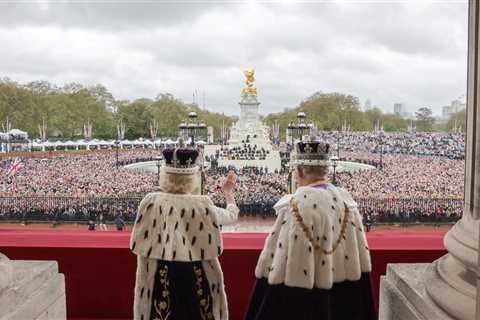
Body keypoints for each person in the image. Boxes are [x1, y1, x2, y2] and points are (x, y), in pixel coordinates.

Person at [245, 136, 376, 320]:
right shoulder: (347, 203)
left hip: (305, 300)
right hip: (345, 297)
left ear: (299, 171)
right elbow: (361, 263)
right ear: (326, 170)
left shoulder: (296, 206)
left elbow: (286, 264)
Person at [130, 144, 239, 320]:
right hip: (196, 274)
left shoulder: (150, 202)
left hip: (159, 274)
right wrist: (228, 193)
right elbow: (232, 216)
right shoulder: (203, 205)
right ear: (192, 178)